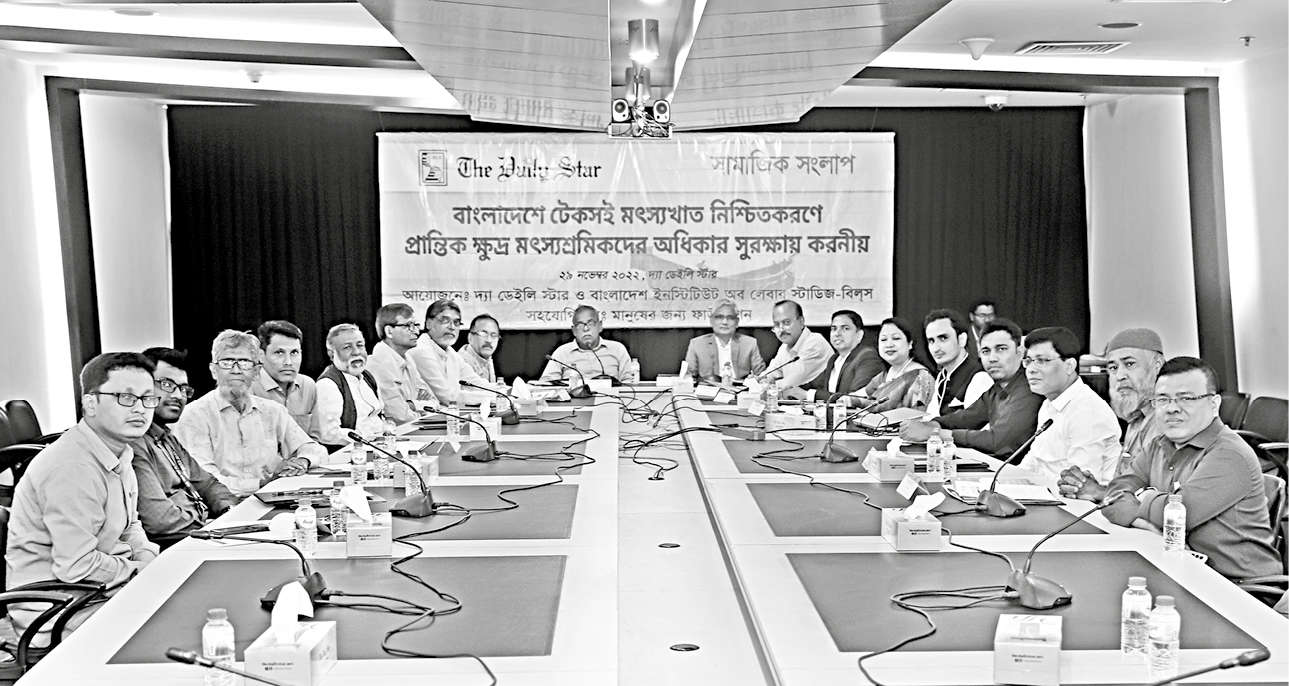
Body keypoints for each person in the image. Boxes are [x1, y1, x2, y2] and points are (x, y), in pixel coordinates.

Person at [7, 352, 161, 641]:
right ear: (90, 403)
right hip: (57, 609)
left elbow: (130, 527)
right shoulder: (72, 466)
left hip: (98, 591)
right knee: (174, 626)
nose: (140, 409)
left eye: (147, 398)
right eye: (126, 398)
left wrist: (147, 557)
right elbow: (76, 565)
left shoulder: (119, 452)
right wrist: (138, 570)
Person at [1099, 357, 1279, 581]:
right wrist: (1146, 523)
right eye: (1162, 399)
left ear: (1214, 404)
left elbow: (1178, 516)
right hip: (1179, 569)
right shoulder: (1157, 445)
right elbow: (1112, 497)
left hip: (1238, 585)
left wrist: (1142, 498)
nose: (1172, 408)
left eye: (1186, 398)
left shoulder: (1230, 454)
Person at [175, 330, 326, 497]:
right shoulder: (194, 415)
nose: (236, 370)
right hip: (220, 504)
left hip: (272, 499)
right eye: (227, 362)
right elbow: (203, 480)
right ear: (213, 370)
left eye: (244, 362)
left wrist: (303, 461)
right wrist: (261, 484)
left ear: (256, 371)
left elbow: (314, 449)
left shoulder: (273, 411)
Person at [132, 347, 237, 549]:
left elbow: (208, 484)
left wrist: (229, 511)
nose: (178, 395)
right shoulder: (134, 442)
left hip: (200, 534)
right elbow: (160, 520)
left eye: (183, 389)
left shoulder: (166, 436)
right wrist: (209, 526)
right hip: (174, 548)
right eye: (167, 385)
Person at [900, 319, 1042, 459]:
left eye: (1001, 349)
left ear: (1020, 352)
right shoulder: (997, 389)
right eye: (986, 351)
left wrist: (935, 432)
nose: (992, 358)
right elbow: (966, 417)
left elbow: (998, 442)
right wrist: (929, 425)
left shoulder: (1029, 387)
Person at [1059, 328, 1166, 500]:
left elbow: (1161, 499)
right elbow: (1128, 486)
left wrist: (1098, 492)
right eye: (1113, 368)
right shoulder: (1135, 421)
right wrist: (1086, 485)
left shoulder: (1169, 420)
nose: (1120, 376)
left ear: (1157, 365)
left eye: (1130, 364)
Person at [1014, 327, 1121, 491]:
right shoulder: (1049, 403)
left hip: (1077, 503)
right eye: (1028, 361)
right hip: (1045, 495)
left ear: (1070, 366)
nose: (1031, 369)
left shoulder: (1087, 411)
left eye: (1041, 360)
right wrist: (1005, 484)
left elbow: (1078, 486)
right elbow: (1034, 460)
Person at [409, 300, 507, 406]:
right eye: (445, 320)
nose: (452, 327)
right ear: (429, 323)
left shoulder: (451, 353)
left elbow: (477, 383)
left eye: (456, 322)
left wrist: (508, 392)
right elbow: (448, 397)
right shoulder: (421, 350)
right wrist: (496, 397)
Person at [786, 310, 883, 402]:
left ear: (859, 335)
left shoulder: (867, 357)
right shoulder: (835, 359)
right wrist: (790, 391)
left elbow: (855, 398)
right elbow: (813, 385)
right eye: (834, 329)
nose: (837, 333)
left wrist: (808, 395)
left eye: (845, 328)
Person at [314, 323, 385, 447]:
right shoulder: (328, 384)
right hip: (351, 451)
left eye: (360, 345)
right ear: (331, 354)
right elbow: (328, 434)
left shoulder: (368, 377)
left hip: (379, 445)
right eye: (347, 347)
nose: (356, 352)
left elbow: (379, 416)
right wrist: (365, 438)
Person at [367, 303, 437, 422]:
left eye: (416, 325)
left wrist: (412, 404)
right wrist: (420, 406)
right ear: (389, 331)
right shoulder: (378, 364)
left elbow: (434, 403)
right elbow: (399, 416)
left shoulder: (407, 358)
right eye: (408, 326)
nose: (416, 331)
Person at [539, 305, 639, 384]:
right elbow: (547, 384)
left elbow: (629, 383)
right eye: (580, 325)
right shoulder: (562, 352)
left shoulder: (617, 349)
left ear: (600, 326)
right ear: (574, 330)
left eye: (590, 323)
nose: (586, 329)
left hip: (611, 401)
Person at [250, 320, 317, 434]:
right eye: (279, 353)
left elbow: (317, 436)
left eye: (294, 353)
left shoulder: (308, 386)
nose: (288, 362)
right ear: (260, 356)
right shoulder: (248, 388)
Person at [923, 309, 992, 416]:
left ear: (962, 339)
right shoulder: (942, 376)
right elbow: (931, 416)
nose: (936, 348)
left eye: (943, 338)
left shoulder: (979, 377)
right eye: (931, 341)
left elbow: (975, 424)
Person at [856, 317, 935, 412]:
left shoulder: (921, 377)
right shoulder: (885, 375)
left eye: (896, 338)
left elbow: (919, 414)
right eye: (883, 339)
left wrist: (857, 402)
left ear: (910, 344)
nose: (889, 344)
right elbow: (861, 395)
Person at [683, 299, 765, 383]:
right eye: (719, 317)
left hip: (741, 389)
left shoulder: (749, 343)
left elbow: (762, 376)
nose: (725, 322)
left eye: (730, 318)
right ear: (711, 321)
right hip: (709, 389)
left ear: (737, 322)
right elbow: (688, 378)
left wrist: (754, 380)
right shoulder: (697, 344)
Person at [756, 300, 831, 390]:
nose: (781, 329)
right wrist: (758, 380)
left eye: (786, 322)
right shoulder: (784, 347)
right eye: (776, 324)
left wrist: (764, 385)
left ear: (801, 322)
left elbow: (791, 383)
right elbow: (771, 373)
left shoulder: (815, 343)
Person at [460, 314, 502, 384]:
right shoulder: (460, 363)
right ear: (470, 337)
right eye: (483, 334)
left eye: (494, 335)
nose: (489, 340)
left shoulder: (486, 359)